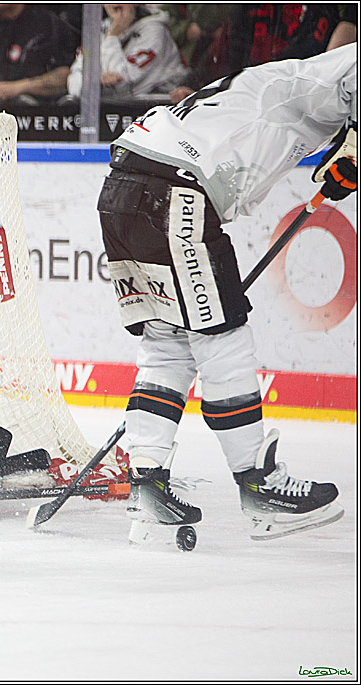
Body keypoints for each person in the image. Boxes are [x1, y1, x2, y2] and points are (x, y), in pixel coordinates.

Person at [96, 46, 356, 542]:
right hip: (174, 188)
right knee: (223, 337)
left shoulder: (268, 88)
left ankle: (147, 483)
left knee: (168, 339)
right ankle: (260, 484)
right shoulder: (315, 75)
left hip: (124, 186)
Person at [67, 4, 189, 100]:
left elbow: (123, 86)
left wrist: (113, 37)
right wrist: (95, 82)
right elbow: (74, 82)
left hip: (156, 111)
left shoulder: (155, 31)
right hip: (111, 112)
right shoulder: (98, 31)